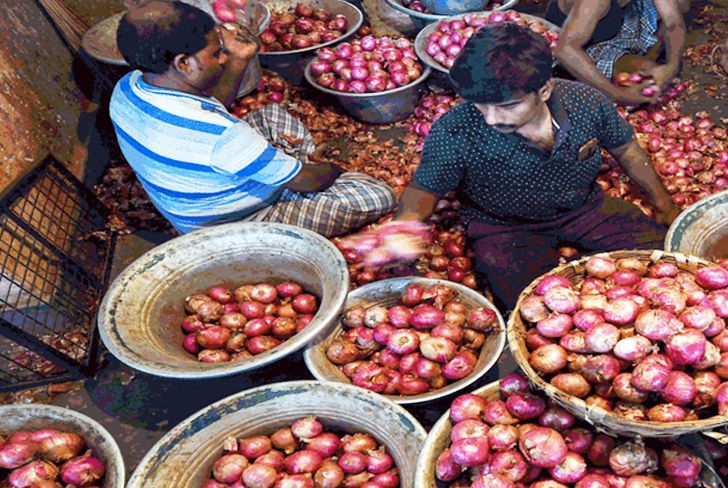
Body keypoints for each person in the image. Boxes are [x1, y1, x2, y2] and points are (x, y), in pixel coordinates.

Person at [393, 23, 680, 311]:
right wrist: (404, 228)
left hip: (583, 208)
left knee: (660, 259)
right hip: (503, 227)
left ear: (543, 89)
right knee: (532, 309)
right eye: (481, 105)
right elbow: (424, 189)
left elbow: (627, 149)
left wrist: (664, 204)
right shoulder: (456, 129)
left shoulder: (586, 103)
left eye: (507, 106)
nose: (491, 118)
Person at [109, 0, 396, 235]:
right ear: (184, 63)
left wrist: (239, 59)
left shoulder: (128, 87)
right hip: (229, 228)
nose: (223, 58)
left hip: (195, 198)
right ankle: (287, 168)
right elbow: (310, 182)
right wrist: (331, 170)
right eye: (216, 53)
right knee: (373, 195)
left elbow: (210, 106)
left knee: (269, 115)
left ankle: (280, 166)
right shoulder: (222, 135)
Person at [546, 0, 688, 106]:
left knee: (682, 3)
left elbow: (673, 21)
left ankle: (651, 53)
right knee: (644, 72)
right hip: (590, 42)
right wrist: (616, 95)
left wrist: (672, 65)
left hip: (624, 20)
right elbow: (565, 49)